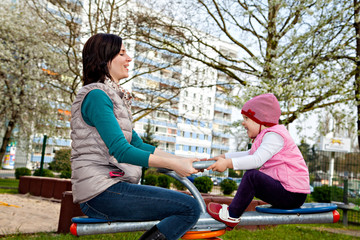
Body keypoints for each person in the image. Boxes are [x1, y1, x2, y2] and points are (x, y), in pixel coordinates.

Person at [70, 33, 201, 240]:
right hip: (101, 193)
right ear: (105, 59)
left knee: (187, 206)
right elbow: (121, 150)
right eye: (122, 53)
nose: (129, 58)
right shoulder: (96, 96)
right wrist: (174, 165)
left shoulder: (113, 96)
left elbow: (138, 145)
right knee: (189, 207)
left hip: (110, 188)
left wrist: (182, 160)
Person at [206, 93, 310, 228]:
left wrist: (227, 164)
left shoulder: (274, 136)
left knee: (252, 176)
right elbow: (250, 153)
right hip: (287, 191)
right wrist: (224, 157)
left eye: (246, 118)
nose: (243, 123)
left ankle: (232, 214)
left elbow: (256, 160)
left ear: (261, 120)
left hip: (292, 194)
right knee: (252, 176)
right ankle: (232, 212)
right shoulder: (267, 135)